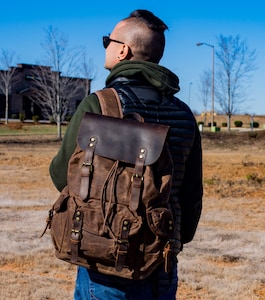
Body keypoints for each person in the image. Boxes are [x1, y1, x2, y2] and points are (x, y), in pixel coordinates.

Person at [49, 9, 202, 300]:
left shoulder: (100, 105)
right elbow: (192, 193)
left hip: (105, 258)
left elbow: (62, 175)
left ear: (123, 50)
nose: (105, 45)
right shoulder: (184, 114)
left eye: (108, 40)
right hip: (163, 260)